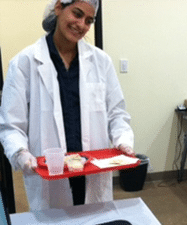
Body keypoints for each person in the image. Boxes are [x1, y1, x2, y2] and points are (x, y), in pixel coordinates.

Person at [0, 0, 135, 211]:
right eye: (77, 14)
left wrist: (123, 139)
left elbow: (116, 113)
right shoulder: (24, 63)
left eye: (89, 20)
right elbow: (11, 125)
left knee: (94, 218)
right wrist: (21, 154)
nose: (81, 25)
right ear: (58, 8)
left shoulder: (101, 62)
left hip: (92, 168)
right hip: (50, 171)